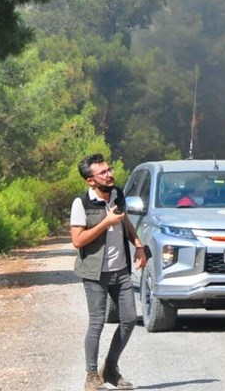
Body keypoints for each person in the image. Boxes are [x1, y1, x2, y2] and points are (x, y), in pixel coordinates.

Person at [70, 154, 147, 391]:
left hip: (121, 270)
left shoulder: (118, 194)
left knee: (130, 319)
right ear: (90, 181)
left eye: (109, 169)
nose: (109, 174)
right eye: (102, 172)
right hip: (95, 272)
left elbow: (125, 223)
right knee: (97, 323)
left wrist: (139, 245)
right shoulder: (81, 203)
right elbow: (77, 241)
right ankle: (91, 376)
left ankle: (110, 369)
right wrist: (105, 222)